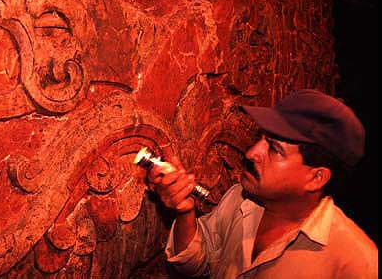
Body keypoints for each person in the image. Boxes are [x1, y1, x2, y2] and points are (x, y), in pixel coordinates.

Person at [148, 89, 378, 279]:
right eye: (261, 139)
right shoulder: (240, 198)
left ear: (316, 178)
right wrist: (184, 211)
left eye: (274, 149)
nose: (251, 153)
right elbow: (194, 267)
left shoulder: (358, 263)